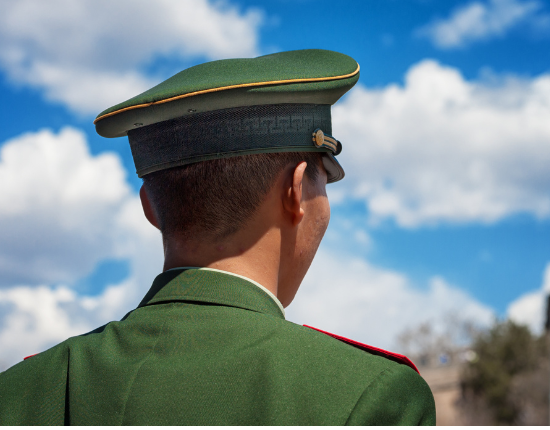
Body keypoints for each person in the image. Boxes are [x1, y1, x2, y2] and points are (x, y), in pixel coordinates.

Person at [0, 49, 436, 425]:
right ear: (297, 189)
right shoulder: (371, 393)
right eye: (327, 178)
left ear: (149, 208)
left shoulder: (24, 391)